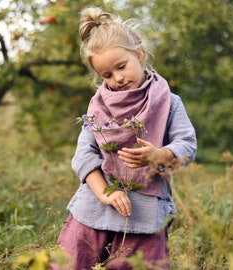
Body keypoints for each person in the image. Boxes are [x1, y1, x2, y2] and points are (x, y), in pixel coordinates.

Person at [55, 6, 197, 270]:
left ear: (138, 54)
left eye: (122, 67)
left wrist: (158, 155)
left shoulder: (168, 102)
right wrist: (106, 194)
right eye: (106, 75)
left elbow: (187, 145)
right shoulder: (99, 106)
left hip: (143, 214)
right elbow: (84, 155)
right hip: (94, 208)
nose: (117, 79)